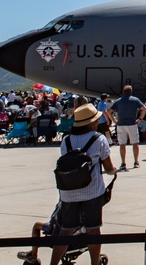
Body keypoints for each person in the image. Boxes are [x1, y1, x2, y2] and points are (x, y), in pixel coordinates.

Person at [50, 104, 117, 265]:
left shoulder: (66, 140)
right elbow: (108, 168)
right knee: (93, 229)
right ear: (91, 123)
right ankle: (95, 263)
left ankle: (53, 263)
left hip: (68, 191)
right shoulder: (98, 138)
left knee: (65, 231)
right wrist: (114, 171)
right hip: (91, 192)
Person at [106, 85, 146, 171]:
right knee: (135, 143)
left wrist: (114, 121)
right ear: (131, 92)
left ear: (123, 92)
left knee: (122, 144)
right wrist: (140, 119)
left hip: (121, 124)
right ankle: (136, 162)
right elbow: (144, 108)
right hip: (132, 124)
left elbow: (109, 112)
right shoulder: (135, 100)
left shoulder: (118, 101)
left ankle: (123, 163)